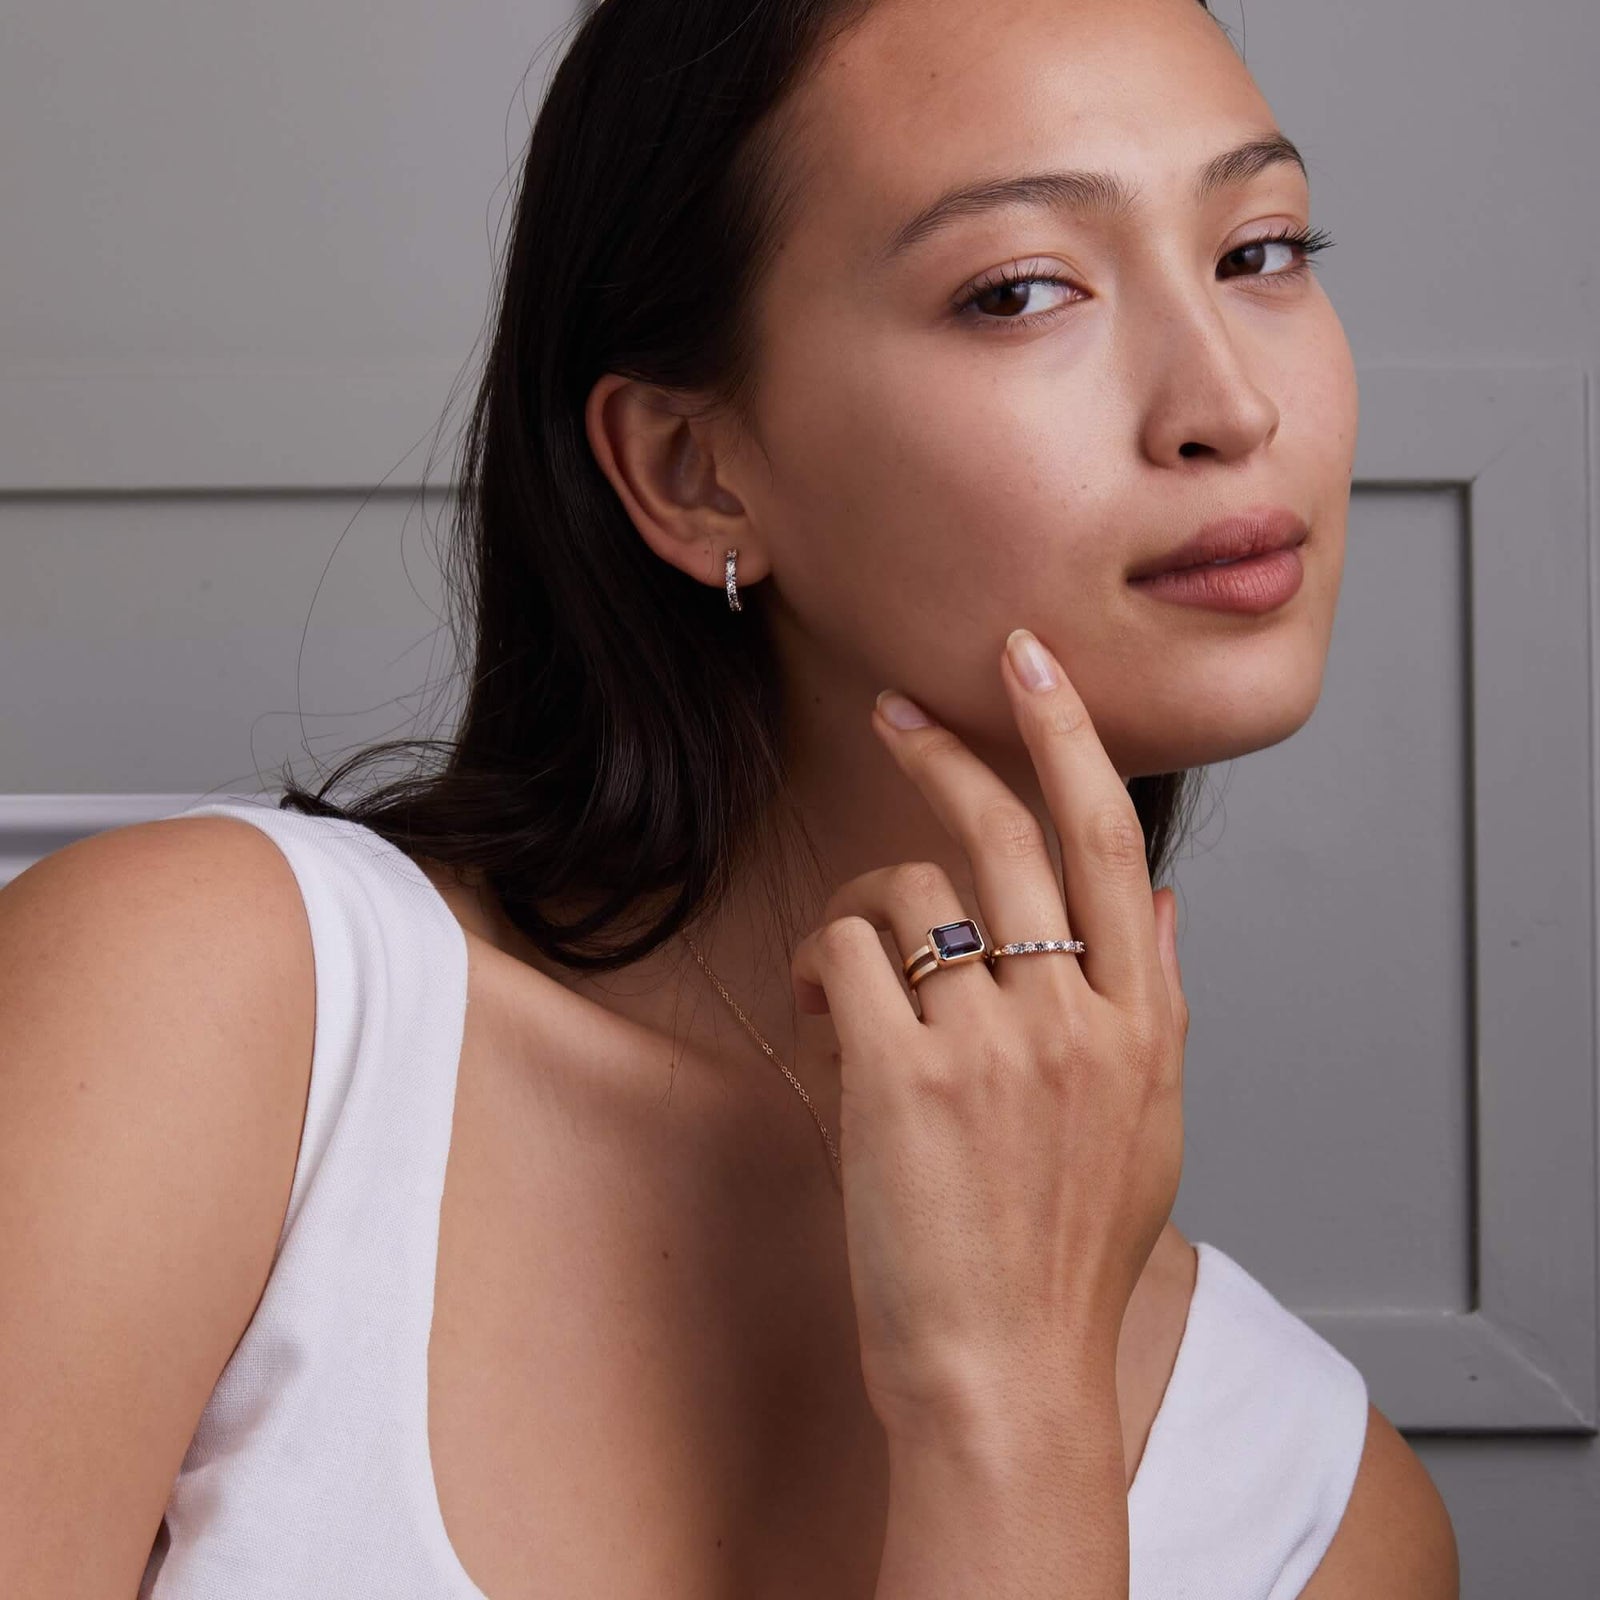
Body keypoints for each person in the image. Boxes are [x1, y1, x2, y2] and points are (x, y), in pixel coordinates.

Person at [0, 0, 1460, 1594]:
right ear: (693, 472)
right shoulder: (208, 1015)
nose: (1231, 407)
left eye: (1260, 252)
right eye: (1019, 290)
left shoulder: (1325, 1522)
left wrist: (1017, 1409)